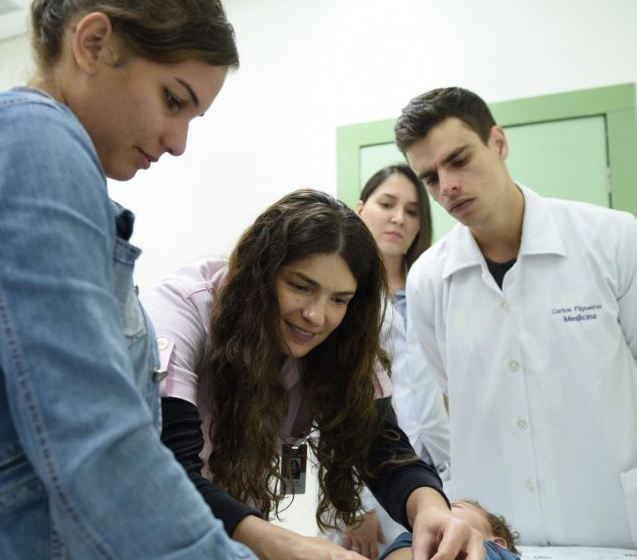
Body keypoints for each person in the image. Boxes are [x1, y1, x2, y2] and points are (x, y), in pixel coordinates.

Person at [0, 1, 257, 558]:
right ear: (94, 43)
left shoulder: (36, 159)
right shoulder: (22, 139)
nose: (178, 141)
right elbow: (92, 431)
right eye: (173, 100)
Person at [145, 189, 485, 560]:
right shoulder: (183, 308)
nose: (316, 316)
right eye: (300, 287)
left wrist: (430, 509)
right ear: (261, 273)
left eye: (339, 299)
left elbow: (381, 447)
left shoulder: (341, 337)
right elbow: (169, 469)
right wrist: (286, 545)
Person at [394, 86, 637, 547]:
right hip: (494, 535)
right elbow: (451, 392)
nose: (447, 187)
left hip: (611, 523)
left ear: (499, 143)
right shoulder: (428, 279)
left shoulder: (614, 239)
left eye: (459, 160)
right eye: (430, 177)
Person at [342, 165, 451, 557]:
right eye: (386, 204)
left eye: (412, 210)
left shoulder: (434, 288)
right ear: (359, 209)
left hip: (438, 475)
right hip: (367, 483)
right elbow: (324, 414)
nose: (398, 218)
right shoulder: (341, 296)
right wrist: (354, 503)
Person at [379, 500, 520, 560]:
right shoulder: (412, 539)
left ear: (499, 544)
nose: (441, 513)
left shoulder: (495, 551)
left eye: (454, 506)